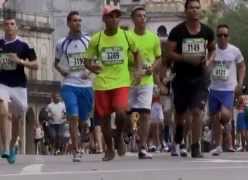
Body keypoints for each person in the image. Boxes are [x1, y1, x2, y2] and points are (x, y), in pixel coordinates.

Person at [84, 4, 142, 161]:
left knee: (121, 112)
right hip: (102, 82)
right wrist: (92, 66)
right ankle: (109, 149)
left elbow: (137, 53)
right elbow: (87, 61)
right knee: (104, 119)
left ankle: (119, 135)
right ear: (104, 19)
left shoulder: (126, 36)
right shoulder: (97, 39)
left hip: (121, 81)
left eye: (117, 16)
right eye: (111, 16)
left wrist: (137, 70)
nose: (115, 19)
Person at [167, 0, 215, 158]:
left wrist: (207, 62)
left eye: (197, 8)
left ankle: (195, 146)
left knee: (196, 112)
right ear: (186, 11)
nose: (194, 11)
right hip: (181, 78)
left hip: (200, 78)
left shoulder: (207, 31)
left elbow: (212, 49)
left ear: (200, 11)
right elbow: (169, 53)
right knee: (180, 115)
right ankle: (178, 139)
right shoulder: (177, 31)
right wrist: (187, 59)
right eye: (191, 8)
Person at [54, 11, 93, 162]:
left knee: (83, 120)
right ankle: (76, 150)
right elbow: (56, 62)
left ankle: (85, 130)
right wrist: (62, 70)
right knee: (73, 117)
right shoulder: (61, 43)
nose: (78, 23)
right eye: (75, 21)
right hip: (69, 84)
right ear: (68, 23)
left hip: (86, 86)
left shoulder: (88, 40)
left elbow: (96, 60)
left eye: (79, 20)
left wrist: (89, 73)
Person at [0, 17, 38, 164]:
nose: (9, 26)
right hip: (2, 84)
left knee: (16, 119)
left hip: (19, 87)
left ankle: (12, 147)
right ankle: (5, 148)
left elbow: (36, 65)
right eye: (6, 24)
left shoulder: (24, 45)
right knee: (3, 112)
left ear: (17, 27)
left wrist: (20, 61)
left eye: (12, 24)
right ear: (3, 27)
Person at [128, 6, 162, 159]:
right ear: (133, 19)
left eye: (144, 16)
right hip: (129, 80)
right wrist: (135, 69)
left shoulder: (153, 37)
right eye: (139, 16)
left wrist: (151, 69)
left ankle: (143, 147)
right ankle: (129, 134)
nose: (142, 18)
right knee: (127, 113)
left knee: (145, 113)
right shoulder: (127, 36)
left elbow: (159, 57)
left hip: (147, 81)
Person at [209, 24, 246, 156]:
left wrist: (240, 83)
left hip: (229, 89)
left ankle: (229, 142)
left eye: (225, 35)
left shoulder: (234, 50)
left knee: (225, 115)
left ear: (228, 36)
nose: (222, 37)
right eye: (220, 35)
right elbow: (206, 66)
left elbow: (242, 66)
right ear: (217, 36)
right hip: (213, 88)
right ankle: (219, 145)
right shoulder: (212, 50)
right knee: (214, 119)